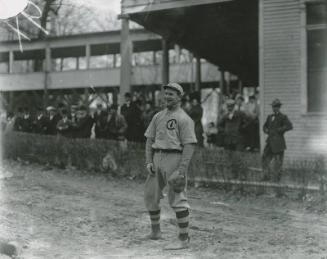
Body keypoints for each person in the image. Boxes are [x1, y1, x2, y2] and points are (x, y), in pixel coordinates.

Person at [144, 82, 197, 250]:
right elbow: (149, 140)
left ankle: (183, 239)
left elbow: (189, 145)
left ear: (179, 97)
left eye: (171, 94)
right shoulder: (158, 116)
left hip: (174, 158)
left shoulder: (184, 118)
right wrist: (149, 161)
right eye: (166, 93)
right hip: (157, 156)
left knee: (178, 198)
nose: (167, 97)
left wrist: (182, 170)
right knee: (151, 195)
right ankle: (156, 232)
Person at [262, 99, 293, 189]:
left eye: (276, 106)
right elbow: (264, 126)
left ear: (279, 107)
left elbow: (289, 126)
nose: (274, 108)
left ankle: (277, 179)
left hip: (279, 142)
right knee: (265, 158)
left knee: (278, 161)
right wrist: (266, 130)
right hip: (270, 142)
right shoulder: (269, 116)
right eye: (273, 106)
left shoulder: (283, 117)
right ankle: (266, 176)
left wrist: (280, 130)